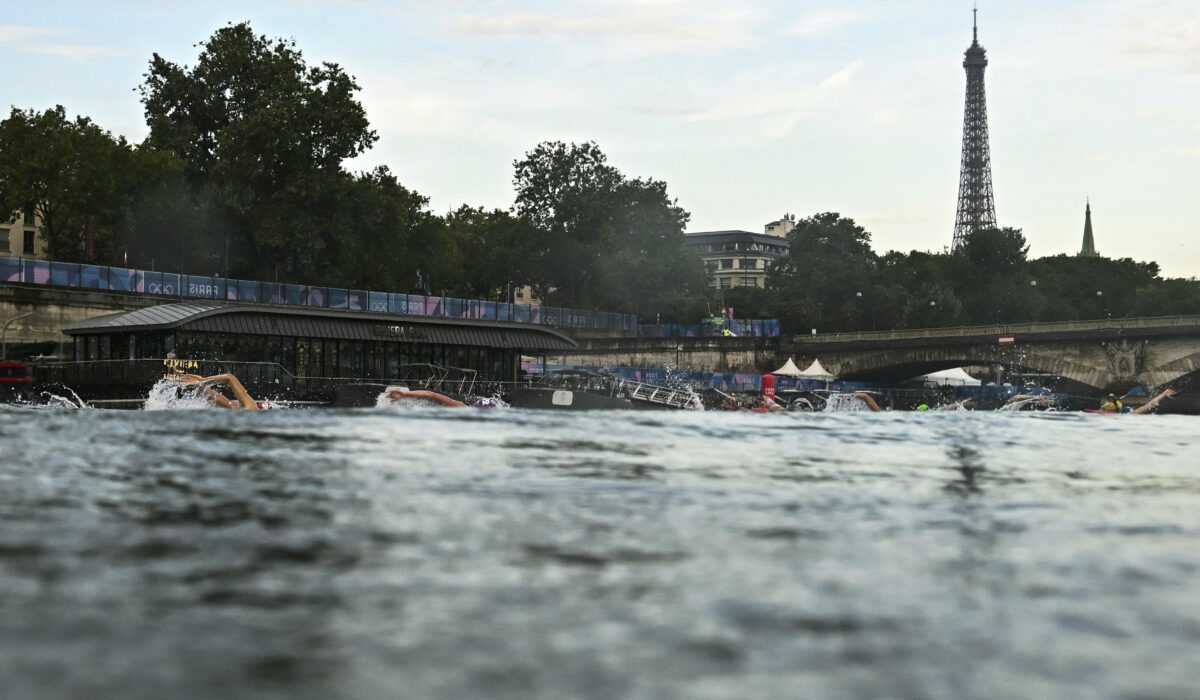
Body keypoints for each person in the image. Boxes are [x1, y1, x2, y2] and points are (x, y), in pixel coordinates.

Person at [176, 373, 269, 410]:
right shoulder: (246, 412)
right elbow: (228, 404)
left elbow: (229, 377)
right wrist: (204, 391)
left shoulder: (252, 408)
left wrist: (203, 381)